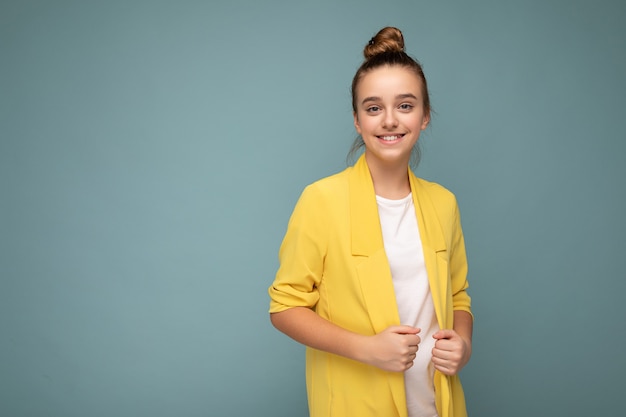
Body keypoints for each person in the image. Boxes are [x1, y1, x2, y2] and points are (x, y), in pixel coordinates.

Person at [268, 27, 473, 417]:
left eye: (406, 106)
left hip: (438, 404)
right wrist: (367, 349)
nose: (390, 120)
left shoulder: (444, 203)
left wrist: (462, 344)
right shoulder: (321, 200)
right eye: (374, 108)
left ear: (425, 116)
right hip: (354, 404)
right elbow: (285, 307)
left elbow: (458, 297)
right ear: (357, 120)